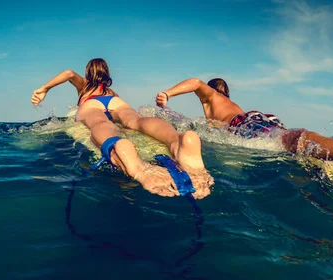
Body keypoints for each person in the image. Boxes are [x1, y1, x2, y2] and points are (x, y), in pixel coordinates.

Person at [155, 78, 333, 204]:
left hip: (246, 125)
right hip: (259, 119)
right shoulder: (231, 105)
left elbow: (196, 82)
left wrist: (166, 95)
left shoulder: (212, 98)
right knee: (300, 153)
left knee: (287, 142)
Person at [31, 59, 213, 199]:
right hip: (117, 103)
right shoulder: (112, 92)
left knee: (100, 123)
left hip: (90, 103)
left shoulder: (84, 86)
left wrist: (43, 89)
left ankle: (117, 145)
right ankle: (176, 140)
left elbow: (69, 73)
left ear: (88, 72)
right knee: (137, 120)